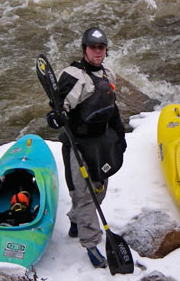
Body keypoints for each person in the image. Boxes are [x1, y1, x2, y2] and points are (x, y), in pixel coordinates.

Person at [46, 27, 127, 268]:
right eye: (93, 48)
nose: (97, 52)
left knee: (99, 190)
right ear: (85, 49)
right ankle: (91, 243)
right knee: (84, 194)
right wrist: (55, 118)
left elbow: (112, 108)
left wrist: (120, 135)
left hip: (101, 142)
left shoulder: (107, 74)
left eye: (101, 47)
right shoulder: (72, 76)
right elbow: (57, 109)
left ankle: (75, 221)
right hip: (79, 144)